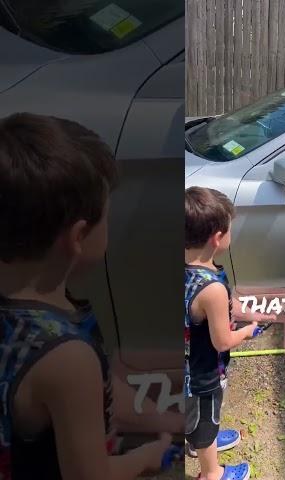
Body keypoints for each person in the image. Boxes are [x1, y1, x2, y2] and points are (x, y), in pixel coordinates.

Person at [0, 113, 175, 479]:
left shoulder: (48, 304)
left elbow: (102, 393)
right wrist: (146, 457)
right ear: (79, 236)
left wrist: (168, 420)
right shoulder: (67, 359)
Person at [184, 186, 274, 480]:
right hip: (201, 376)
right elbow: (221, 340)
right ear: (218, 237)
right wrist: (248, 332)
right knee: (205, 418)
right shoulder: (210, 289)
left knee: (194, 418)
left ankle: (198, 440)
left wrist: (252, 314)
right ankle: (211, 472)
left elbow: (227, 303)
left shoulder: (198, 269)